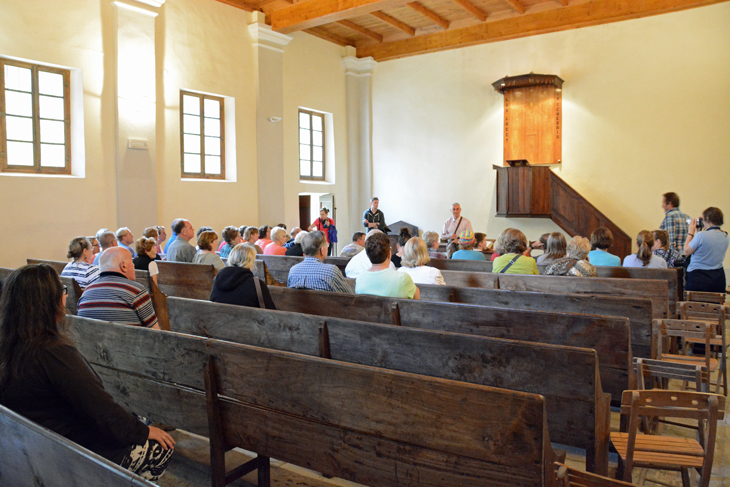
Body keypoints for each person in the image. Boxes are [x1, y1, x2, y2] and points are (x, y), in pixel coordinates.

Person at [0, 265, 175, 482]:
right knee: (159, 447)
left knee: (134, 418)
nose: (65, 296)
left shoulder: (10, 344)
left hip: (33, 441)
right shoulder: (52, 352)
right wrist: (143, 432)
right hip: (70, 449)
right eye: (61, 290)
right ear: (48, 302)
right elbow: (99, 408)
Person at [78, 248, 160, 329]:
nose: (134, 266)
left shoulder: (86, 292)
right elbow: (155, 332)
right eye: (132, 262)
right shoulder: (136, 291)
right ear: (123, 266)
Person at [210, 243, 276, 309]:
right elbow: (271, 312)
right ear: (251, 262)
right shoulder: (256, 284)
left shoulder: (217, 279)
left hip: (217, 318)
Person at [355, 232, 420, 299]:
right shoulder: (402, 278)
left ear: (368, 256)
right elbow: (416, 301)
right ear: (389, 254)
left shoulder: (360, 278)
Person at [287, 231, 352, 293]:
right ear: (322, 250)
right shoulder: (331, 271)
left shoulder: (293, 271)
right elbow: (349, 296)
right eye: (327, 245)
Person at [684, 207, 728, 292]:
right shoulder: (725, 236)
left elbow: (686, 251)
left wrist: (691, 233)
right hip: (718, 278)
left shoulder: (701, 235)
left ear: (707, 219)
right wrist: (699, 232)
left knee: (696, 304)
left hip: (698, 278)